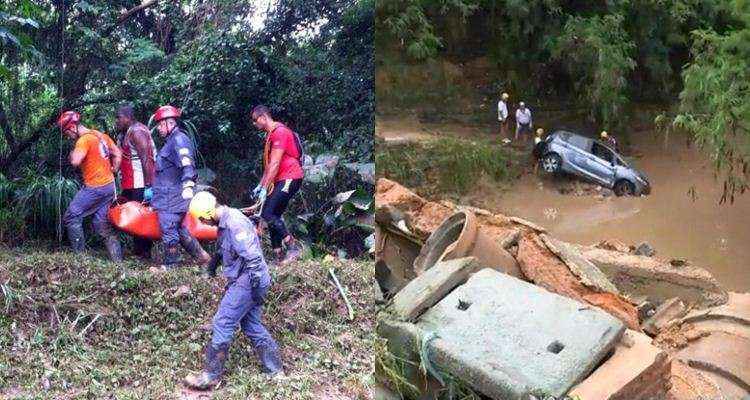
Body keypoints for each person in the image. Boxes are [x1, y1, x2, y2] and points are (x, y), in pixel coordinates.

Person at [184, 191, 283, 389]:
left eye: (203, 220)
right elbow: (224, 249)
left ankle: (211, 376)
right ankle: (276, 371)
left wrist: (254, 290)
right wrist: (212, 266)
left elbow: (253, 258)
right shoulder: (225, 221)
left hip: (250, 279)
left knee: (223, 321)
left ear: (207, 215)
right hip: (246, 278)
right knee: (251, 325)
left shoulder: (234, 223)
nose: (205, 223)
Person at [57, 111, 123, 262]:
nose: (67, 136)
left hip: (96, 187)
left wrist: (72, 153)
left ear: (72, 127)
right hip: (109, 187)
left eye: (66, 133)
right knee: (101, 224)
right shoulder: (100, 136)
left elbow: (75, 161)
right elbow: (117, 154)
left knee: (71, 216)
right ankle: (118, 262)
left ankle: (80, 260)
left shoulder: (83, 141)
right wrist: (113, 170)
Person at [150, 105, 210, 270]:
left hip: (173, 196)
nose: (159, 128)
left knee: (169, 227)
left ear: (170, 123)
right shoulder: (170, 141)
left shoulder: (179, 139)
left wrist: (188, 185)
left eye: (161, 125)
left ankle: (172, 264)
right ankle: (202, 257)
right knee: (179, 229)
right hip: (166, 194)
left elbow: (187, 164)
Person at [249, 105, 304, 265]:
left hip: (290, 176)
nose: (254, 124)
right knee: (273, 214)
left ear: (263, 117)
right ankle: (278, 255)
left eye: (255, 120)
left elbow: (275, 164)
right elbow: (269, 167)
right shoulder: (271, 134)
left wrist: (265, 188)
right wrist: (260, 186)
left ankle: (293, 247)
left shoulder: (280, 132)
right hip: (281, 178)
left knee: (268, 213)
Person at [115, 103, 157, 259]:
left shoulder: (138, 132)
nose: (116, 121)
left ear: (128, 117)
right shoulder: (127, 132)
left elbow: (147, 160)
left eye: (118, 117)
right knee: (133, 218)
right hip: (131, 184)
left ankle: (144, 254)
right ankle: (139, 252)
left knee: (141, 219)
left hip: (140, 184)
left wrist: (149, 186)